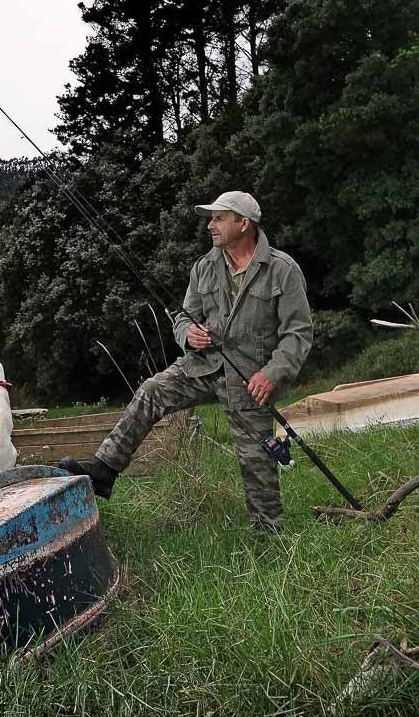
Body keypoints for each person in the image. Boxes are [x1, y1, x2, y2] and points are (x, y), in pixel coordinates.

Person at [56, 190, 312, 532]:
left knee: (257, 463)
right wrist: (188, 333)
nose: (211, 225)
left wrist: (272, 373)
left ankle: (270, 536)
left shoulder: (282, 270)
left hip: (250, 381)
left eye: (219, 217)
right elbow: (182, 316)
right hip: (203, 366)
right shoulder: (204, 267)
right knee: (151, 390)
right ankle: (104, 471)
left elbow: (298, 333)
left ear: (243, 223)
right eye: (211, 218)